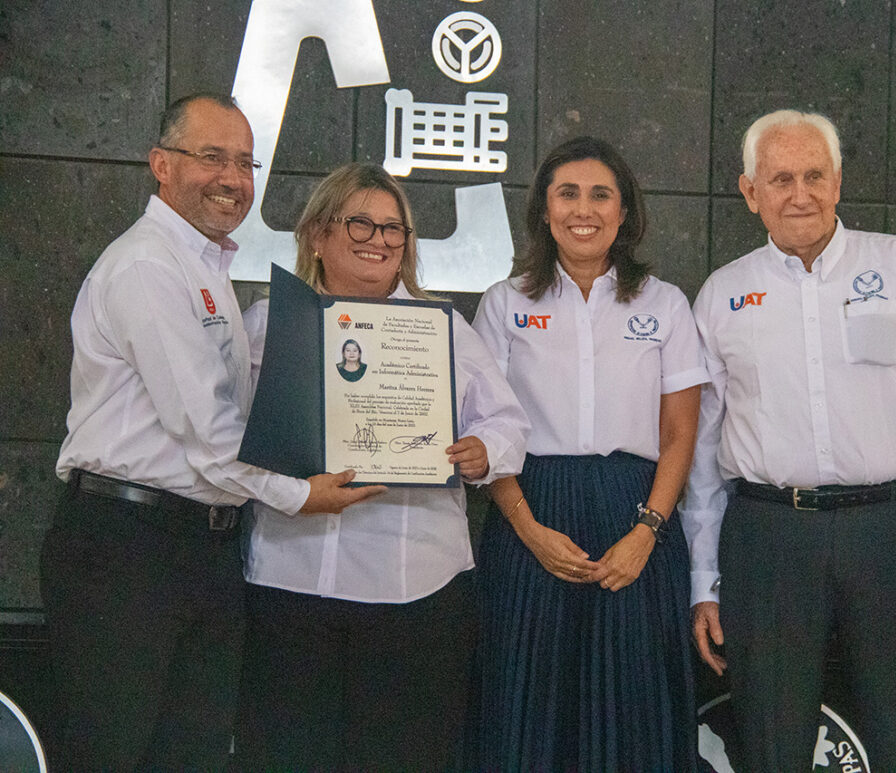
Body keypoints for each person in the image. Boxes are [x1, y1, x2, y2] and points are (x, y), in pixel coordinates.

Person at [40, 93, 382, 771]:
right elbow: (210, 432)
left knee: (187, 755)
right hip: (127, 550)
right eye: (211, 156)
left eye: (244, 161)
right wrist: (301, 492)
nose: (232, 177)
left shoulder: (203, 267)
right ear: (160, 164)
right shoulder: (148, 267)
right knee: (110, 751)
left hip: (198, 548)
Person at [684, 109, 896, 770]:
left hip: (892, 536)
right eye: (781, 177)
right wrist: (704, 579)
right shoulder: (723, 294)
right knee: (769, 740)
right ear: (749, 191)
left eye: (814, 174)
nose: (801, 193)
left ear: (839, 182)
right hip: (767, 538)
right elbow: (702, 463)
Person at [238, 162, 529, 771]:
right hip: (291, 582)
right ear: (318, 234)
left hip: (415, 591)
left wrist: (482, 453)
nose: (379, 240)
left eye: (394, 229)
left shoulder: (443, 327)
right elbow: (229, 437)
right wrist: (291, 489)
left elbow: (507, 424)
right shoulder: (269, 323)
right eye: (361, 224)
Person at [472, 136, 708, 771]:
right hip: (531, 511)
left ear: (624, 212)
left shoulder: (664, 304)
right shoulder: (504, 303)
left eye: (601, 194)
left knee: (634, 707)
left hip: (637, 516)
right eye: (567, 193)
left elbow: (680, 435)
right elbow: (487, 426)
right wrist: (528, 530)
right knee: (526, 704)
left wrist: (648, 532)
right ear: (544, 211)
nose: (585, 209)